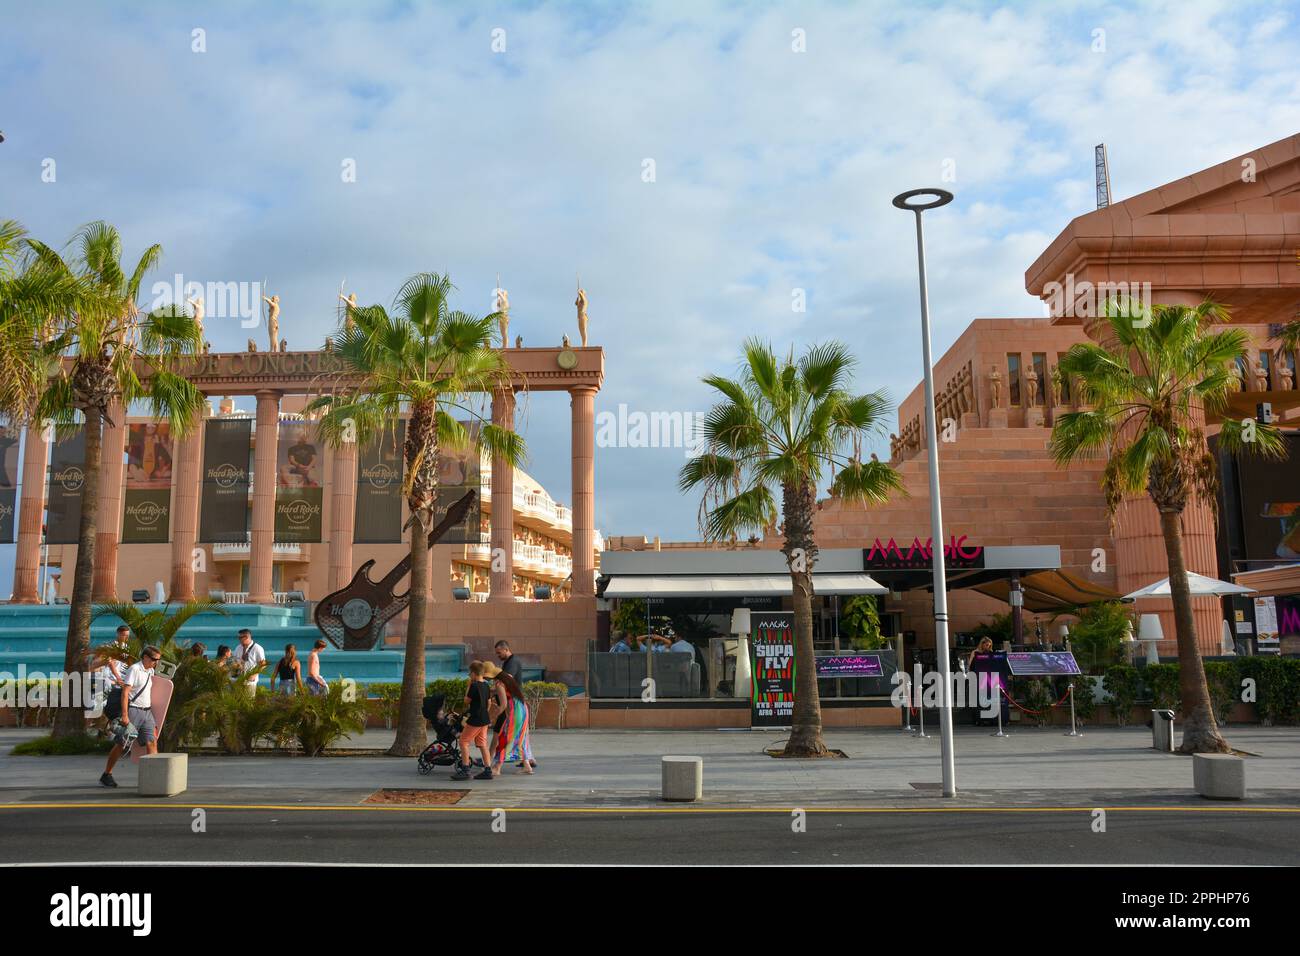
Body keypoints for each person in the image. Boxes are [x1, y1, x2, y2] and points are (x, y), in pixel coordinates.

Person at [99, 645, 162, 788]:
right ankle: (107, 774)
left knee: (152, 742)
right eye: (154, 659)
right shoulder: (135, 669)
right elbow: (125, 693)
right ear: (145, 657)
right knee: (122, 743)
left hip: (147, 712)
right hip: (133, 711)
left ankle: (153, 778)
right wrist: (125, 715)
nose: (156, 662)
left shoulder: (150, 670)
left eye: (158, 660)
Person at [485, 664, 535, 774]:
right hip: (522, 708)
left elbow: (503, 705)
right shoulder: (508, 677)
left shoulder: (499, 684)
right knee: (520, 737)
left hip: (514, 710)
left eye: (486, 677)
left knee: (506, 736)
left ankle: (497, 767)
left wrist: (493, 717)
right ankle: (527, 766)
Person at [451, 661, 494, 781]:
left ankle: (465, 770)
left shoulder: (474, 686)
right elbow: (489, 702)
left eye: (470, 673)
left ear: (474, 673)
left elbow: (466, 701)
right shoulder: (486, 685)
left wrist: (469, 686)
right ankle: (488, 770)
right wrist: (484, 712)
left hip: (475, 719)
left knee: (463, 742)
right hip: (485, 719)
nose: (469, 675)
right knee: (482, 744)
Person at [233, 629, 265, 693]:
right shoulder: (238, 648)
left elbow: (263, 664)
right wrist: (236, 666)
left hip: (250, 682)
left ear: (247, 637)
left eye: (240, 638)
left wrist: (254, 675)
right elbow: (234, 661)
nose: (239, 640)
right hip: (238, 680)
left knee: (249, 702)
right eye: (238, 638)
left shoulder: (257, 648)